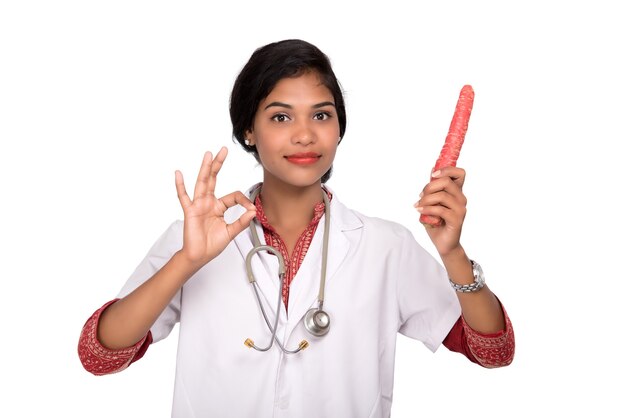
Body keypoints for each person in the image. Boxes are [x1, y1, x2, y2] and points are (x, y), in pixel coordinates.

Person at [78, 39, 514, 417]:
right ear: (249, 130)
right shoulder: (193, 239)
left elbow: (491, 351)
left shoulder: (386, 247)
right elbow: (99, 356)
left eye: (321, 116)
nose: (305, 135)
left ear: (339, 129)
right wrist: (187, 261)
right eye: (281, 117)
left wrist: (453, 254)